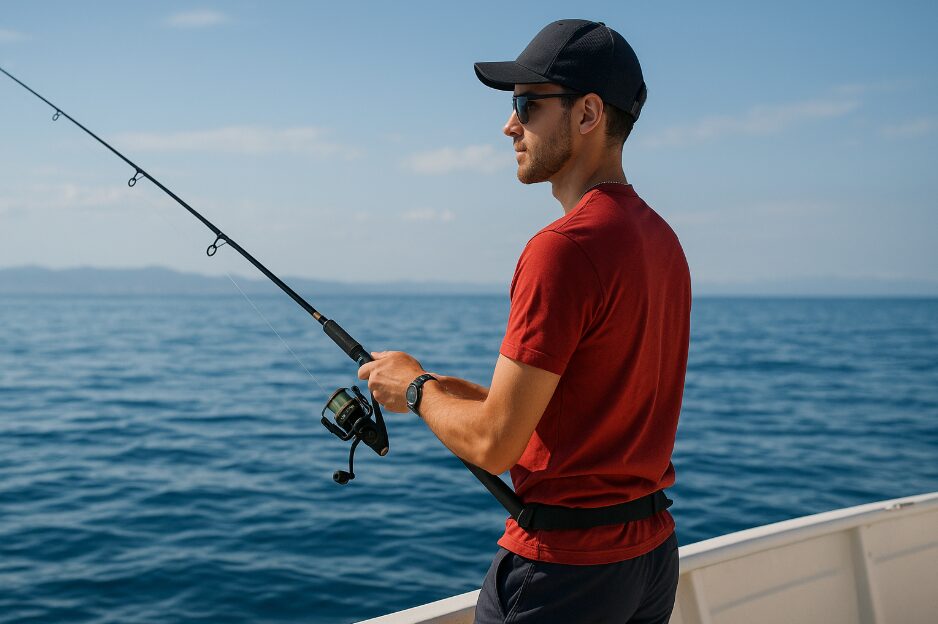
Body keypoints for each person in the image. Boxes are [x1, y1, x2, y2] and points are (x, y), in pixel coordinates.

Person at [358, 19, 691, 624]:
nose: (509, 125)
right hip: (647, 559)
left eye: (526, 105)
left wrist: (414, 388)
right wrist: (436, 389)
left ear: (588, 113)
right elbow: (580, 412)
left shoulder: (562, 249)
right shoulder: (661, 241)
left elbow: (494, 444)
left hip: (564, 574)